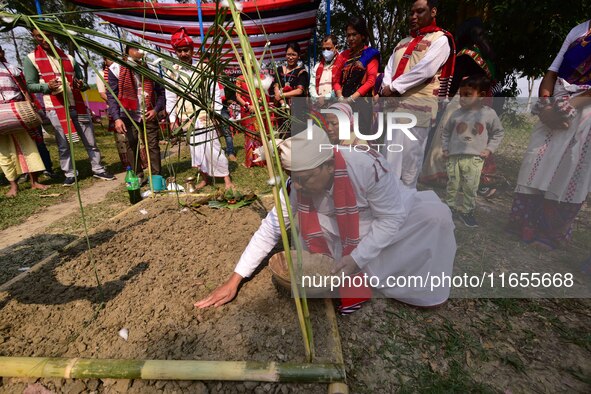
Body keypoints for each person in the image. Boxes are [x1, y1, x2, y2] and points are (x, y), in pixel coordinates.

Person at [195, 125, 456, 313]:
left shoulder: (368, 167)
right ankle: (360, 269)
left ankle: (414, 290)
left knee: (436, 217)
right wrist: (235, 279)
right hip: (338, 230)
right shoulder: (298, 181)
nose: (297, 187)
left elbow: (391, 218)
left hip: (382, 217)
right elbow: (272, 228)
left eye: (305, 179)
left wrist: (356, 258)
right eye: (293, 178)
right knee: (326, 247)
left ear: (329, 166)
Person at [507, 19, 591, 250]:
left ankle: (550, 233)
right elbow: (552, 71)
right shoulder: (579, 30)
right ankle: (524, 223)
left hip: (585, 108)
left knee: (569, 166)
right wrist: (546, 104)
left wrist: (568, 106)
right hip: (557, 98)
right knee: (536, 160)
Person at [24, 29, 115, 186]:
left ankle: (98, 168)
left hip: (77, 105)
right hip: (55, 107)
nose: (45, 39)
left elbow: (82, 82)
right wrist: (47, 86)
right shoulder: (31, 59)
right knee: (63, 144)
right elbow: (30, 85)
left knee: (90, 141)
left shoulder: (69, 58)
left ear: (53, 35)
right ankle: (70, 173)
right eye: (40, 36)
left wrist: (81, 84)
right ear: (34, 37)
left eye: (48, 35)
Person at [421, 18, 500, 196]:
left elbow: (455, 82)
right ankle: (480, 181)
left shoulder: (465, 55)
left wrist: (444, 100)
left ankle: (441, 176)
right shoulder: (487, 57)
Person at [381, 0, 455, 189]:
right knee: (390, 159)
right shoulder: (402, 42)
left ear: (433, 11)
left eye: (420, 11)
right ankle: (390, 208)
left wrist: (394, 88)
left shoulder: (441, 39)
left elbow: (425, 70)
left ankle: (405, 209)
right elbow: (389, 67)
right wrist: (386, 87)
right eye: (411, 12)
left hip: (417, 111)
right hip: (394, 108)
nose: (414, 16)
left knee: (409, 164)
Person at [165, 28, 234, 190]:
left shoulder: (203, 68)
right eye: (180, 51)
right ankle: (205, 178)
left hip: (204, 115)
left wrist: (216, 113)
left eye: (186, 50)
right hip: (186, 118)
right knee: (196, 150)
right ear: (176, 52)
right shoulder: (171, 72)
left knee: (213, 146)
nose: (183, 54)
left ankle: (227, 179)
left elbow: (214, 93)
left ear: (192, 50)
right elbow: (170, 98)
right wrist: (172, 120)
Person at [441, 76, 504, 227]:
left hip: (475, 158)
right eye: (461, 94)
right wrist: (445, 148)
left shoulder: (488, 114)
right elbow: (446, 132)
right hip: (454, 156)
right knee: (453, 184)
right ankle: (449, 209)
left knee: (471, 187)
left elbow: (498, 133)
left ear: (481, 95)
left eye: (468, 94)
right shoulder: (456, 114)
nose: (463, 98)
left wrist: (489, 149)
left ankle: (467, 212)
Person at [107, 42, 165, 183]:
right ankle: (138, 175)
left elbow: (161, 92)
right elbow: (112, 95)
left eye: (141, 50)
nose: (139, 52)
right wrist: (116, 118)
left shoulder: (150, 68)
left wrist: (156, 110)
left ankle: (156, 176)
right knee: (131, 143)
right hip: (127, 113)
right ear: (127, 52)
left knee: (152, 144)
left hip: (148, 112)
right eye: (135, 49)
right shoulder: (116, 69)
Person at [0, 46, 49, 197]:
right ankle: (13, 186)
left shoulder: (11, 68)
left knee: (29, 146)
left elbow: (24, 89)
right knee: (4, 152)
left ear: (2, 52)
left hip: (18, 111)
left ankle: (34, 181)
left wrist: (30, 103)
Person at [309, 35, 339, 106]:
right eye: (323, 49)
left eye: (328, 49)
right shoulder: (317, 67)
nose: (325, 52)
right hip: (319, 106)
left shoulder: (340, 65)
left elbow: (340, 85)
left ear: (336, 48)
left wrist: (325, 98)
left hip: (336, 105)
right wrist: (317, 98)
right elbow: (312, 86)